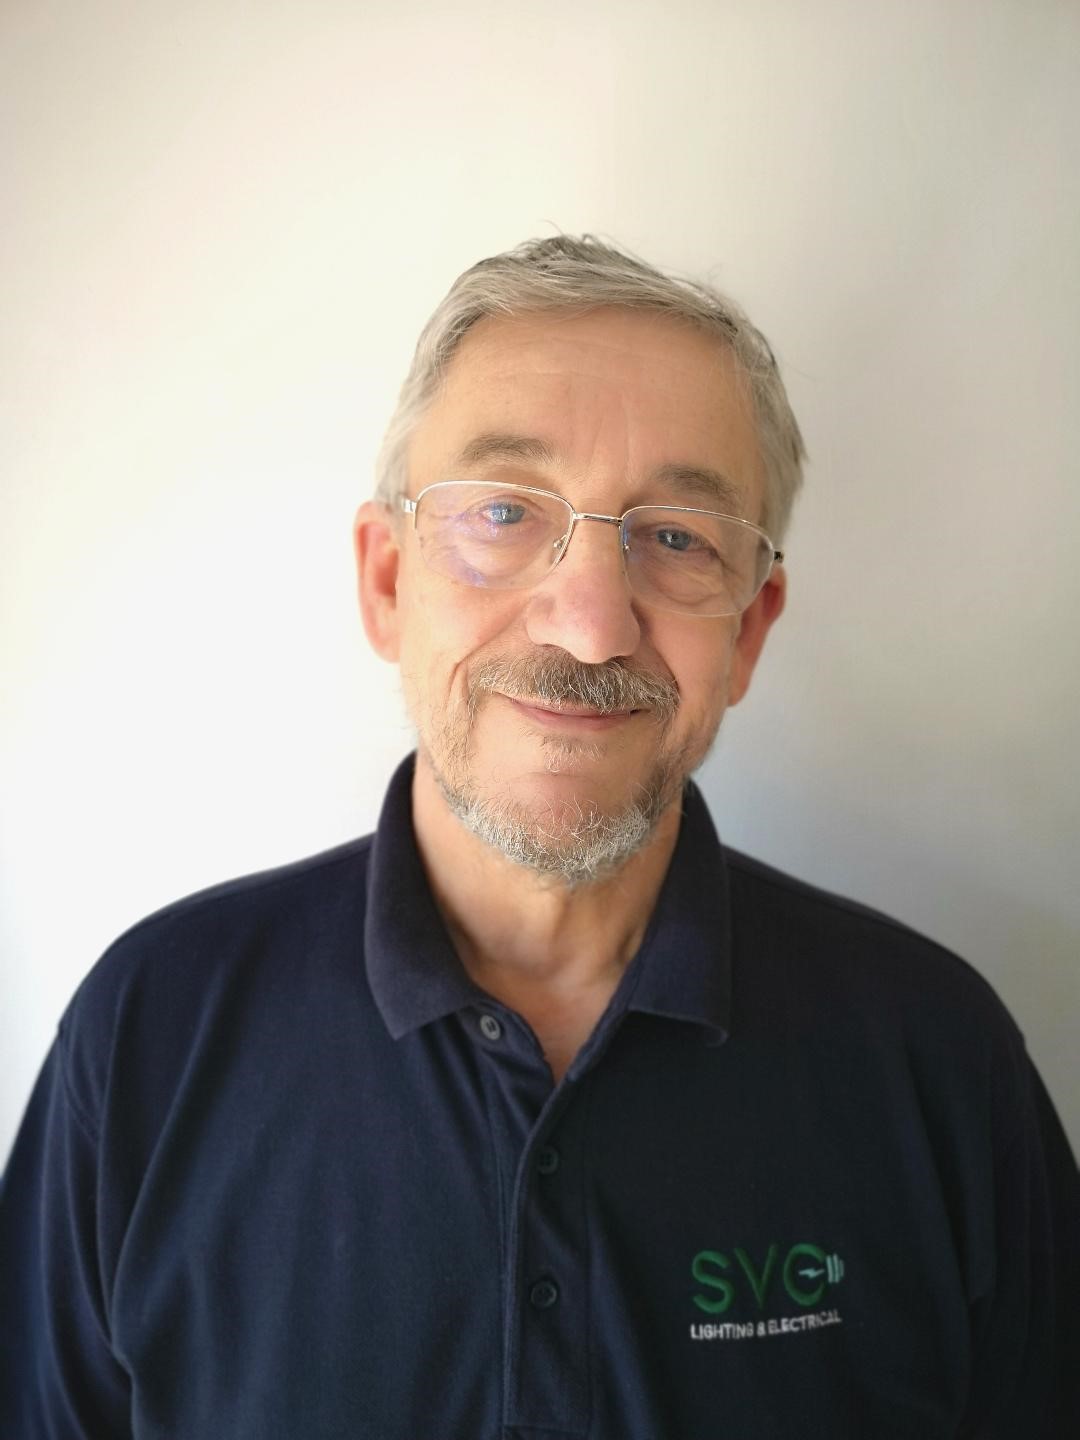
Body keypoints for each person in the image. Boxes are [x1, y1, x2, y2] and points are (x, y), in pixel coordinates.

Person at [2, 235, 1077, 1439]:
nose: (587, 622)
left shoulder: (937, 1062)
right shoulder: (150, 1037)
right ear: (388, 579)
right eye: (506, 511)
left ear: (751, 631)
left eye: (676, 536)